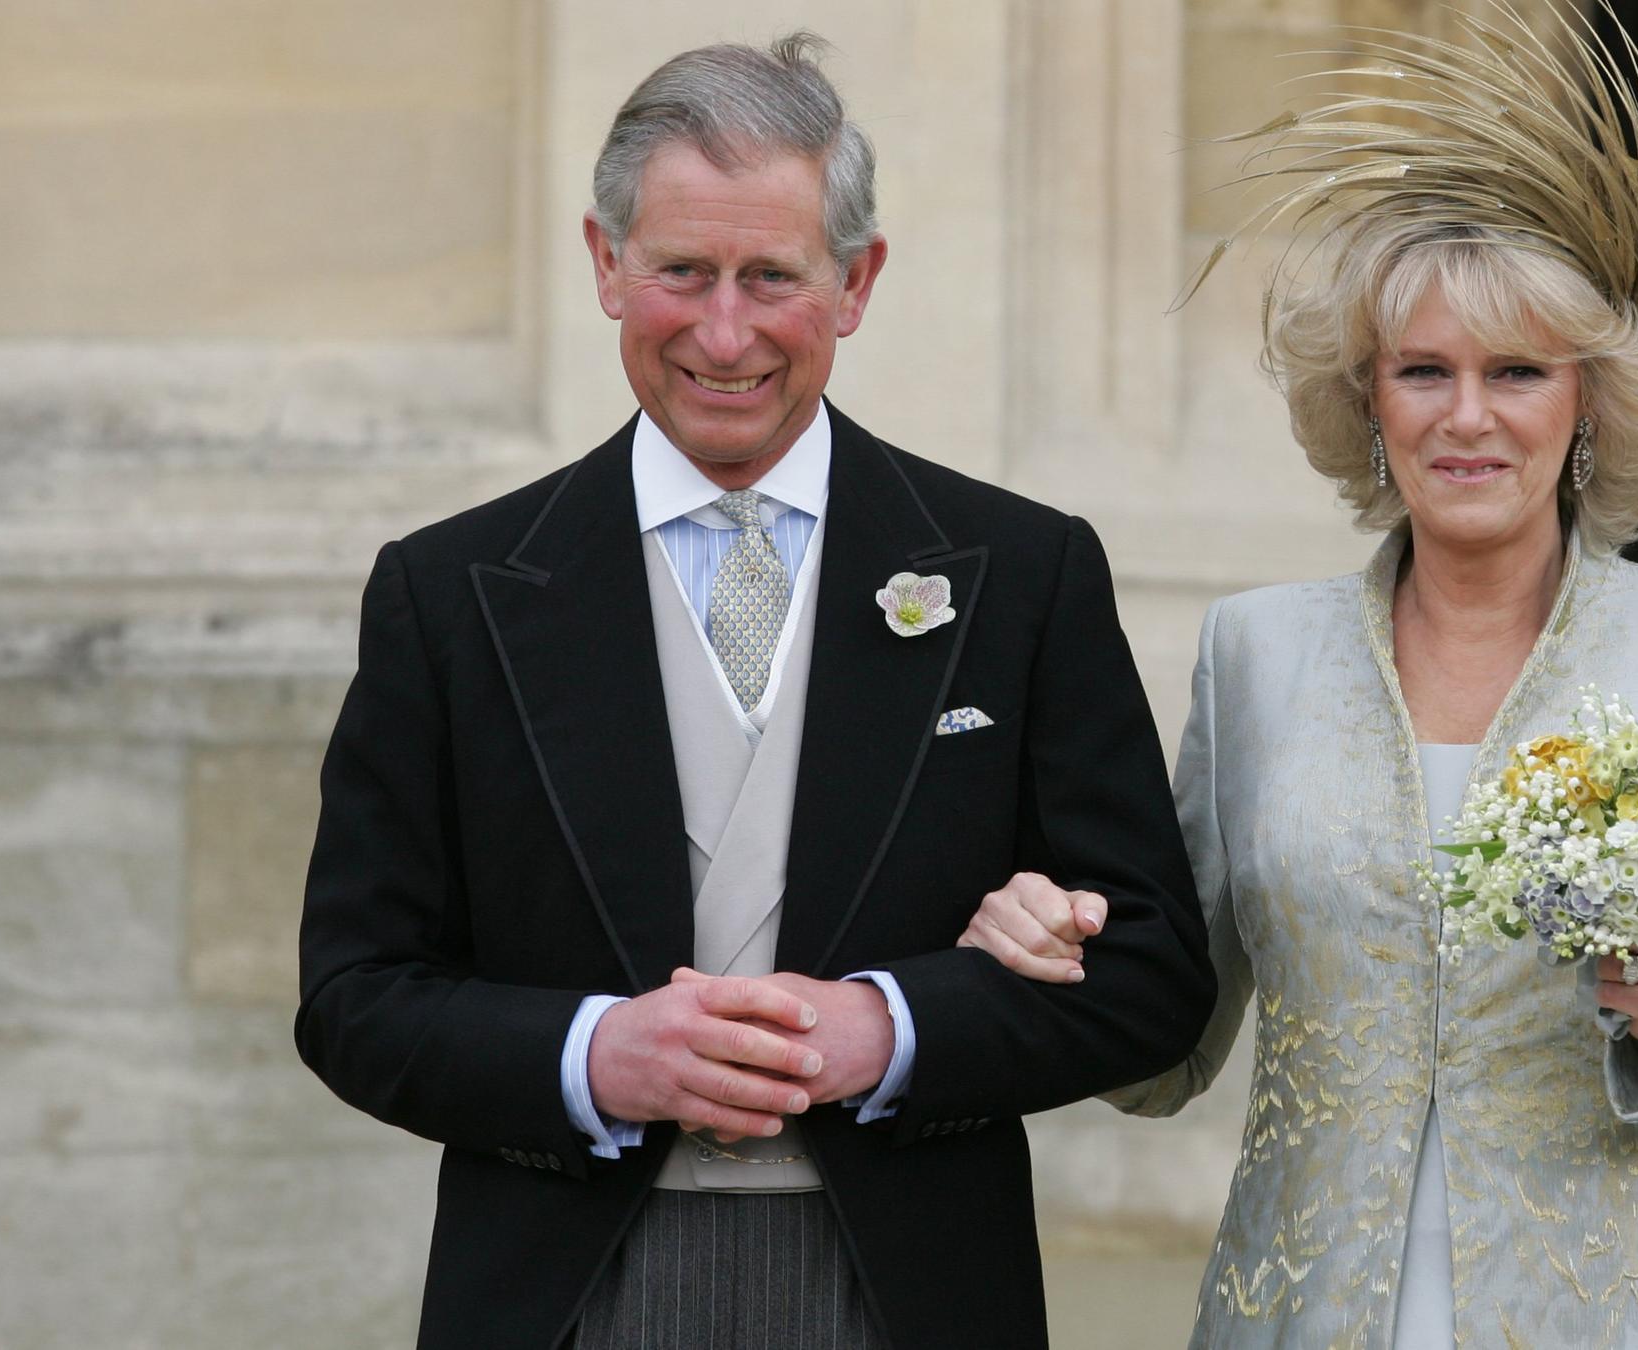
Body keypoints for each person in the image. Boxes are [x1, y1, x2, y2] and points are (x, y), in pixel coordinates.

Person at [294, 33, 1214, 1350]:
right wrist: (596, 1055)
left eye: (770, 277)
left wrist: (886, 1028)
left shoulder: (1022, 573)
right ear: (607, 265)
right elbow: (353, 992)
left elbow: (1151, 974)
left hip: (905, 1288)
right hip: (563, 1295)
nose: (724, 333)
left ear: (856, 281)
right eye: (682, 271)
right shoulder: (450, 594)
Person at [956, 6, 1638, 1345]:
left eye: (1518, 372)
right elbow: (1169, 1043)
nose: (1467, 415)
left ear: (1590, 404)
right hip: (1299, 1310)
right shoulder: (1260, 653)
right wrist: (1047, 960)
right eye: (1422, 370)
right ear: (1368, 400)